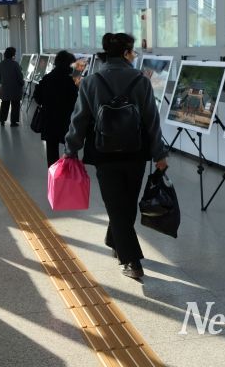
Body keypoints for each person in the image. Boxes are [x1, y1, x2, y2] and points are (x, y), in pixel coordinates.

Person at [64, 33, 168, 279]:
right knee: (126, 204)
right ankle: (131, 260)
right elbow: (151, 121)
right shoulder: (140, 80)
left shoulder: (90, 81)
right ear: (125, 53)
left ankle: (116, 240)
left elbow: (79, 120)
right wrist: (159, 154)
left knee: (116, 204)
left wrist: (71, 149)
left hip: (103, 153)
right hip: (136, 152)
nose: (134, 56)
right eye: (132, 52)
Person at [33, 50, 79, 167]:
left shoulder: (47, 78)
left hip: (50, 120)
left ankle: (54, 175)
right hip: (68, 121)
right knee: (70, 149)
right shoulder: (73, 80)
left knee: (52, 150)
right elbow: (79, 101)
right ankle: (71, 173)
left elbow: (37, 98)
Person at [0, 47, 24, 126]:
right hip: (15, 89)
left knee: (4, 104)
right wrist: (22, 83)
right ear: (13, 54)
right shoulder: (15, 64)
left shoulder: (1, 64)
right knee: (15, 105)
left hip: (5, 89)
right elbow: (19, 76)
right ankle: (13, 122)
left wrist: (3, 83)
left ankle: (2, 120)